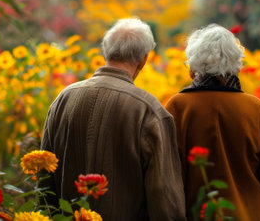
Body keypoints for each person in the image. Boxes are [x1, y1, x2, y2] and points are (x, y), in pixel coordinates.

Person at [40, 18, 186, 220]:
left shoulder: (63, 99)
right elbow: (164, 197)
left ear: (105, 52)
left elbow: (44, 179)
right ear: (143, 60)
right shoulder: (149, 110)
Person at [165, 24, 260, 221]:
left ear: (193, 66)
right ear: (236, 64)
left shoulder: (178, 106)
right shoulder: (255, 107)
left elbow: (168, 171)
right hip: (251, 213)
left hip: (197, 213)